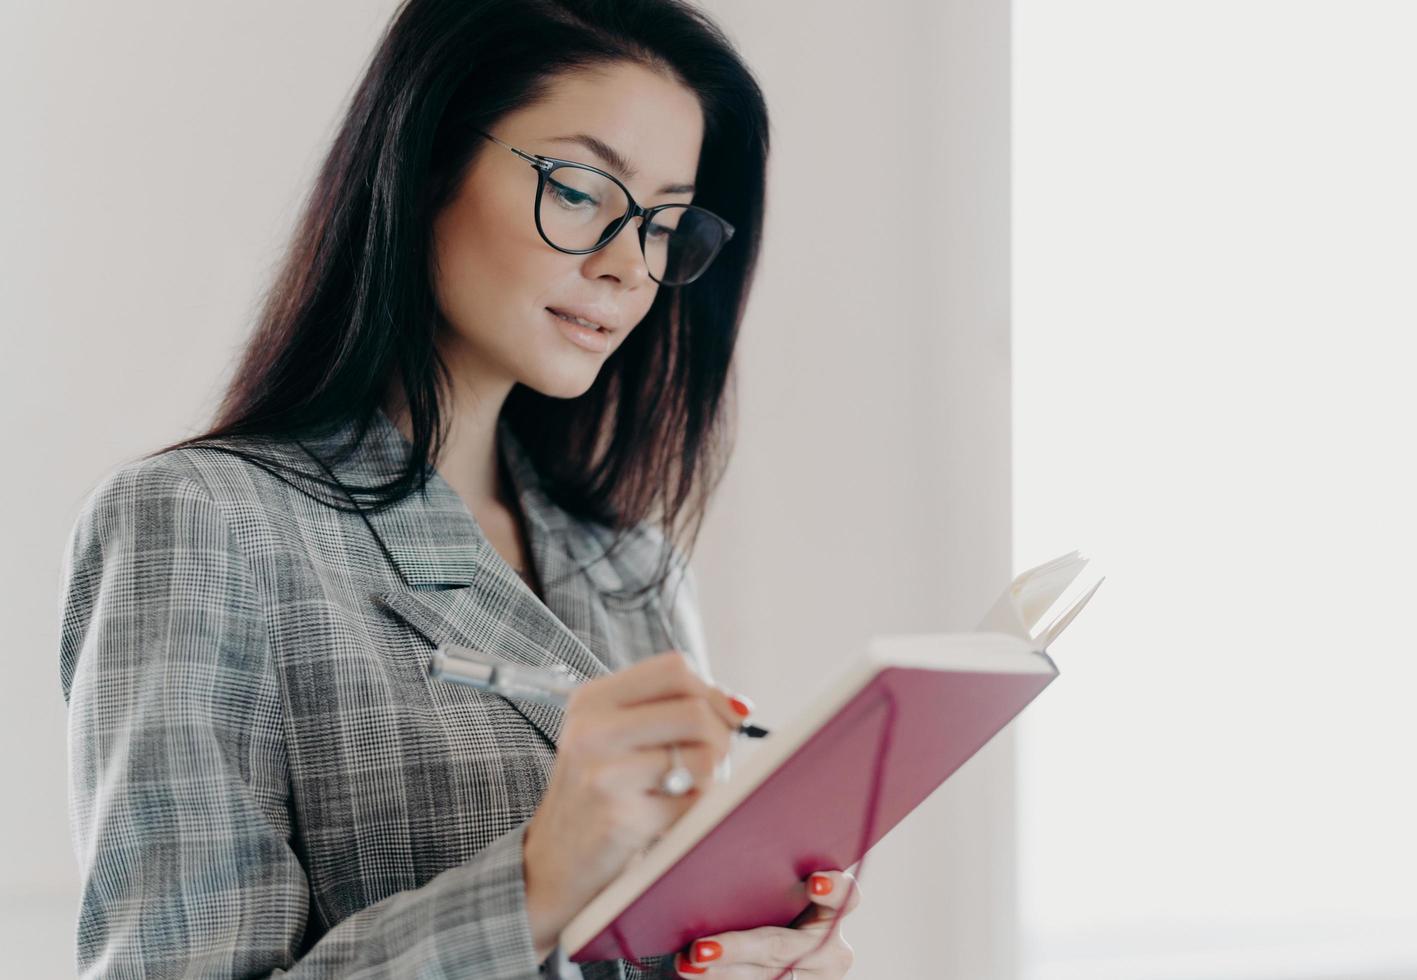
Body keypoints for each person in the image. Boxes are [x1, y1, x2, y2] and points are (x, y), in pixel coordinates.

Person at [56, 0, 862, 977]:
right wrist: (534, 883)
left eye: (661, 221)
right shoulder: (200, 525)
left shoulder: (633, 566)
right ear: (427, 160)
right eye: (579, 191)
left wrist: (754, 952)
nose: (623, 267)